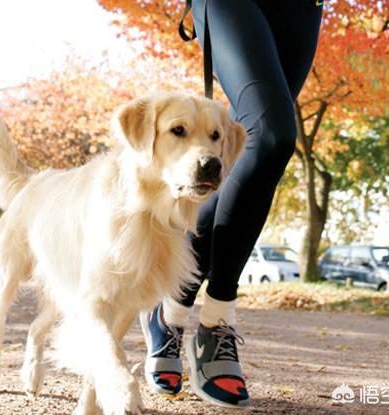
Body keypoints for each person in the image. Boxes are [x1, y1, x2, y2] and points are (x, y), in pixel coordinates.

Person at [140, 0, 324, 408]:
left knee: (256, 148)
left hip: (301, 8)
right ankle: (217, 317)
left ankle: (170, 307)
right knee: (271, 136)